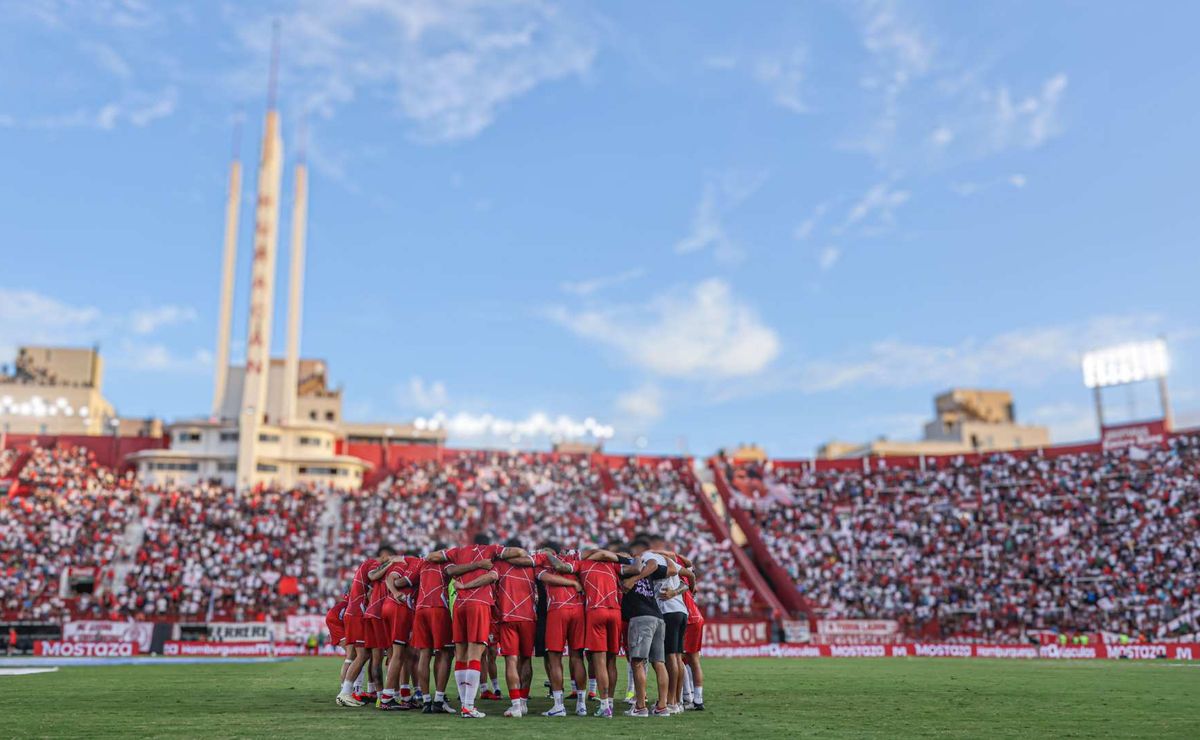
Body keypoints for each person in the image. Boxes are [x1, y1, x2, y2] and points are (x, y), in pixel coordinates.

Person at [425, 534, 526, 718]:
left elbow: (431, 557)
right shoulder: (491, 550)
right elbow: (518, 551)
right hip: (478, 604)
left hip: (460, 606)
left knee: (461, 654)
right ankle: (468, 707)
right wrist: (485, 562)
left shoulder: (459, 552)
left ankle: (465, 704)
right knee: (475, 654)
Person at [620, 538, 672, 717]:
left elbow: (654, 563)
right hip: (658, 617)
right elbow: (668, 568)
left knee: (637, 662)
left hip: (641, 618)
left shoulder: (623, 569)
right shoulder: (647, 568)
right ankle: (662, 706)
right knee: (659, 662)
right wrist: (662, 556)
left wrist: (634, 577)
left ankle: (640, 706)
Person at [536, 545, 587, 717]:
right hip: (578, 609)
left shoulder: (541, 565)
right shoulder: (574, 561)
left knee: (554, 657)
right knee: (577, 656)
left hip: (558, 609)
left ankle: (558, 705)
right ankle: (581, 705)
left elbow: (547, 578)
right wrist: (573, 582)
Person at [337, 548, 391, 707]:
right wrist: (391, 565)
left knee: (361, 654)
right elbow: (373, 576)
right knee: (361, 654)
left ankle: (349, 691)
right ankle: (345, 692)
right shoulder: (372, 564)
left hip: (354, 612)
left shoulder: (365, 565)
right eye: (389, 557)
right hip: (356, 613)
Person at [409, 542, 456, 714]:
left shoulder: (422, 563)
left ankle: (426, 700)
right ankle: (438, 700)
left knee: (424, 654)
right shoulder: (447, 563)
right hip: (438, 608)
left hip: (420, 609)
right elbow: (453, 572)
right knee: (445, 653)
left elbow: (406, 581)